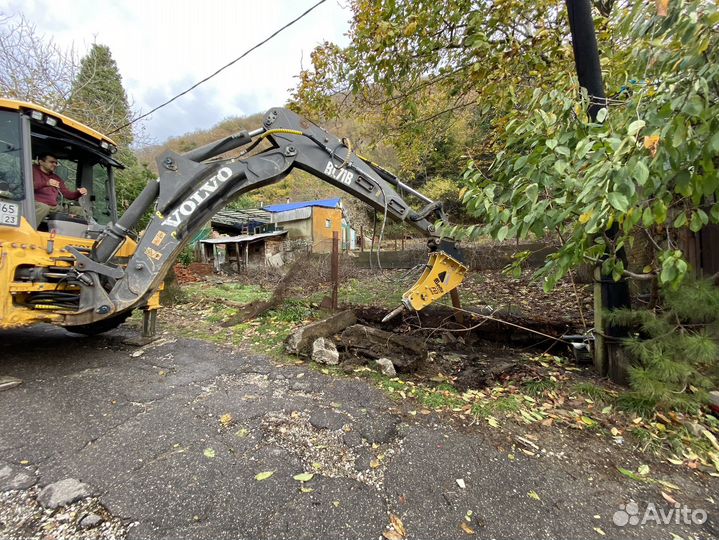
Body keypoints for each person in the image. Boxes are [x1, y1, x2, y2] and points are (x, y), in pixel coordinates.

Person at [33, 153, 88, 226]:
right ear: (41, 162)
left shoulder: (56, 178)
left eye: (56, 163)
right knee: (44, 208)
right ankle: (28, 232)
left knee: (78, 210)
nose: (55, 164)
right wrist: (46, 183)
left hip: (53, 207)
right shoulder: (32, 170)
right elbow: (26, 186)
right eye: (51, 162)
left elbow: (68, 195)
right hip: (34, 203)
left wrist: (79, 192)